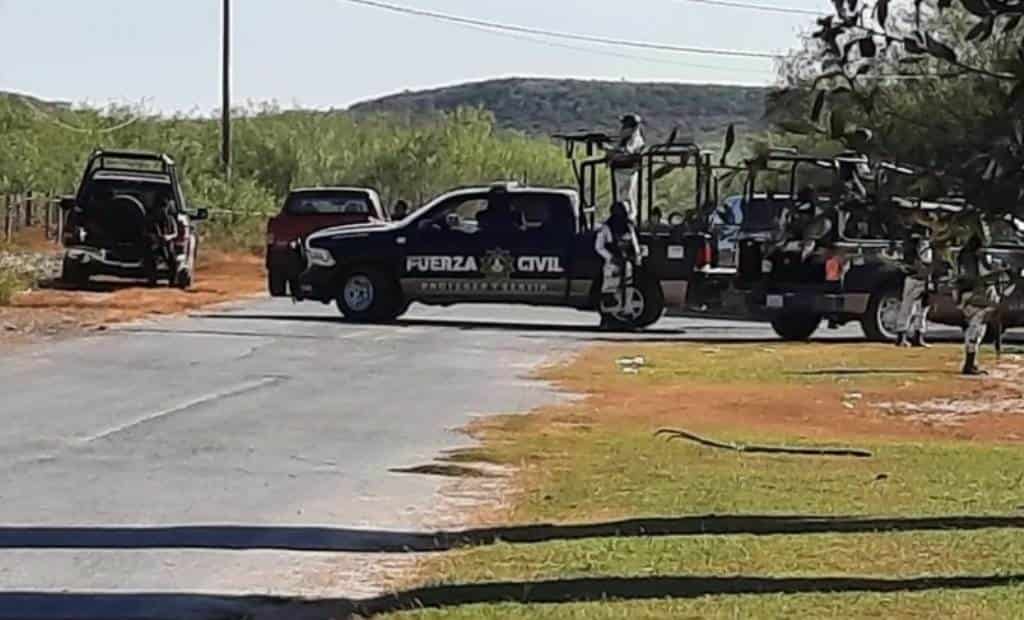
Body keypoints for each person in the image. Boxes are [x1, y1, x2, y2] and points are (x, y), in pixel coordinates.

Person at [956, 232, 1004, 375]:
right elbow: (975, 281)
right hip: (971, 296)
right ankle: (969, 364)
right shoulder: (970, 259)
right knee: (976, 328)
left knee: (978, 328)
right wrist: (995, 274)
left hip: (971, 295)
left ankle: (970, 362)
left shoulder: (967, 257)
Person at [595, 202, 641, 328]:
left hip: (627, 263)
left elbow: (635, 245)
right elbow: (599, 247)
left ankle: (627, 316)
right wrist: (611, 257)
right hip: (613, 264)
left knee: (628, 289)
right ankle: (607, 318)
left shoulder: (629, 227)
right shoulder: (606, 228)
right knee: (609, 290)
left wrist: (635, 257)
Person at [895, 221, 933, 348]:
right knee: (910, 307)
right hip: (916, 278)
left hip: (921, 278)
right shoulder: (918, 245)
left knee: (920, 308)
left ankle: (916, 335)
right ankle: (904, 335)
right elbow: (921, 262)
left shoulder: (915, 245)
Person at [608, 114, 645, 221]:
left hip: (628, 172)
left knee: (627, 196)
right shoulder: (623, 139)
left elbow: (628, 153)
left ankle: (629, 218)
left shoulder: (635, 139)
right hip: (620, 171)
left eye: (625, 126)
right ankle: (624, 216)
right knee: (621, 197)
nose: (622, 128)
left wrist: (614, 155)